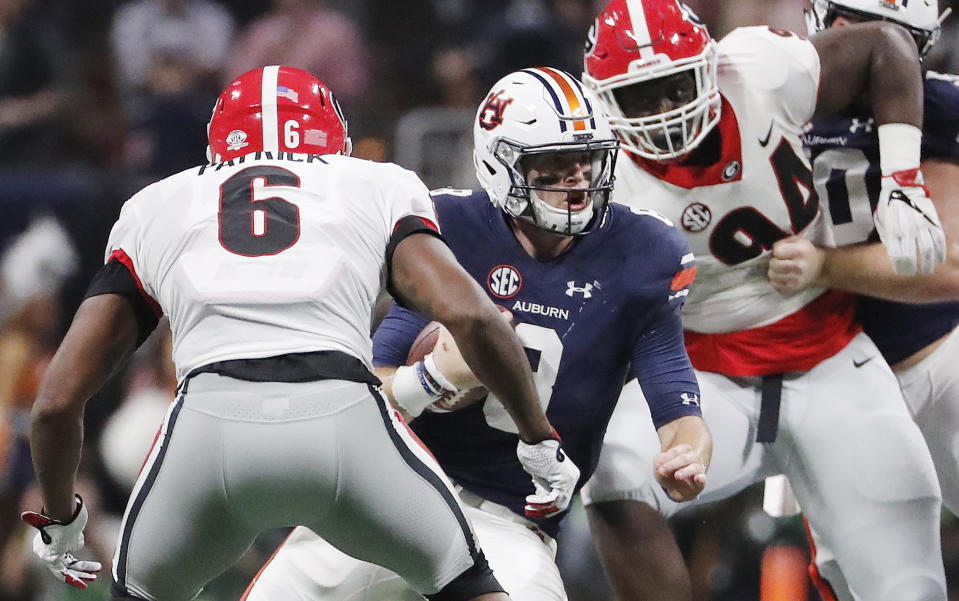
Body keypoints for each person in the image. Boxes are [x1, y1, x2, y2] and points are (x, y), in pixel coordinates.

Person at [19, 65, 581, 601]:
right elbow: (475, 316)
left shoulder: (157, 203)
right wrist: (538, 436)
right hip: (342, 421)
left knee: (138, 591)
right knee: (470, 584)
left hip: (206, 431)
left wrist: (60, 521)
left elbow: (55, 402)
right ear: (331, 134)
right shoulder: (374, 182)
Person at [238, 67, 711, 601]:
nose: (577, 180)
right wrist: (436, 376)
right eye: (553, 164)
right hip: (391, 491)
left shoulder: (645, 252)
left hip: (509, 522)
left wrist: (688, 455)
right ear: (499, 163)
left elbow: (678, 403)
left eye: (586, 160)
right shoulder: (448, 226)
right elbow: (368, 394)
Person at [579, 1, 948, 600]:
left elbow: (885, 46)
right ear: (604, 103)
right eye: (639, 97)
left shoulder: (760, 69)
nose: (663, 112)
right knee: (613, 474)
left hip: (830, 357)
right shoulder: (596, 174)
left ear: (709, 64)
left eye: (673, 87)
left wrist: (903, 182)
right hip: (700, 380)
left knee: (909, 586)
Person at [765, 0, 959, 597]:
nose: (873, 48)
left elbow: (949, 265)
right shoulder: (765, 99)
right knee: (860, 578)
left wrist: (826, 266)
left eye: (896, 37)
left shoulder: (940, 105)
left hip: (935, 355)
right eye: (856, 25)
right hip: (832, 376)